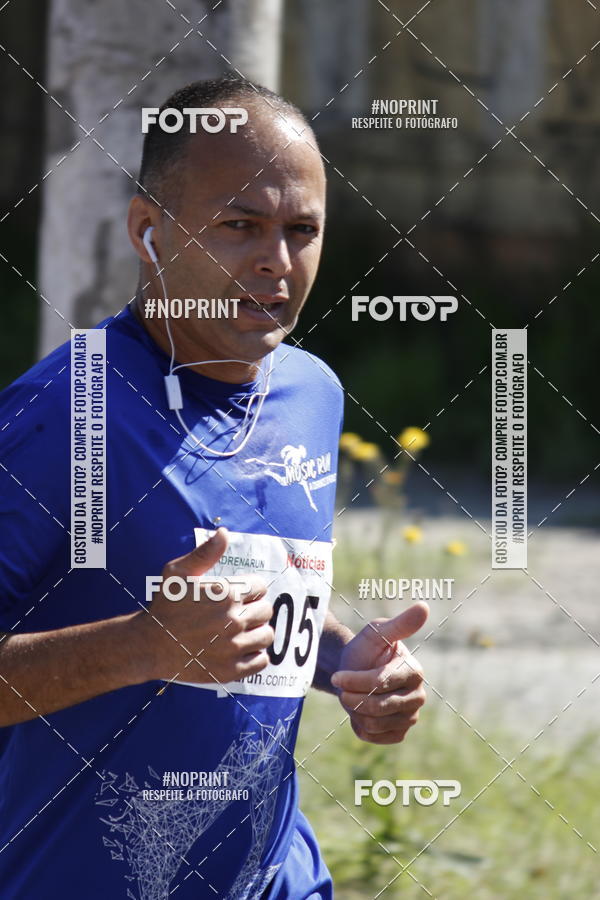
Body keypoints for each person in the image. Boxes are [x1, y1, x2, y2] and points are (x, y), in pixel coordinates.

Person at [0, 75, 428, 899]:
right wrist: (140, 646)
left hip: (276, 881)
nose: (276, 260)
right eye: (240, 225)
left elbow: (257, 596)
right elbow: (171, 636)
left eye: (302, 230)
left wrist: (349, 665)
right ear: (148, 231)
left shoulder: (311, 393)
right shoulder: (64, 414)